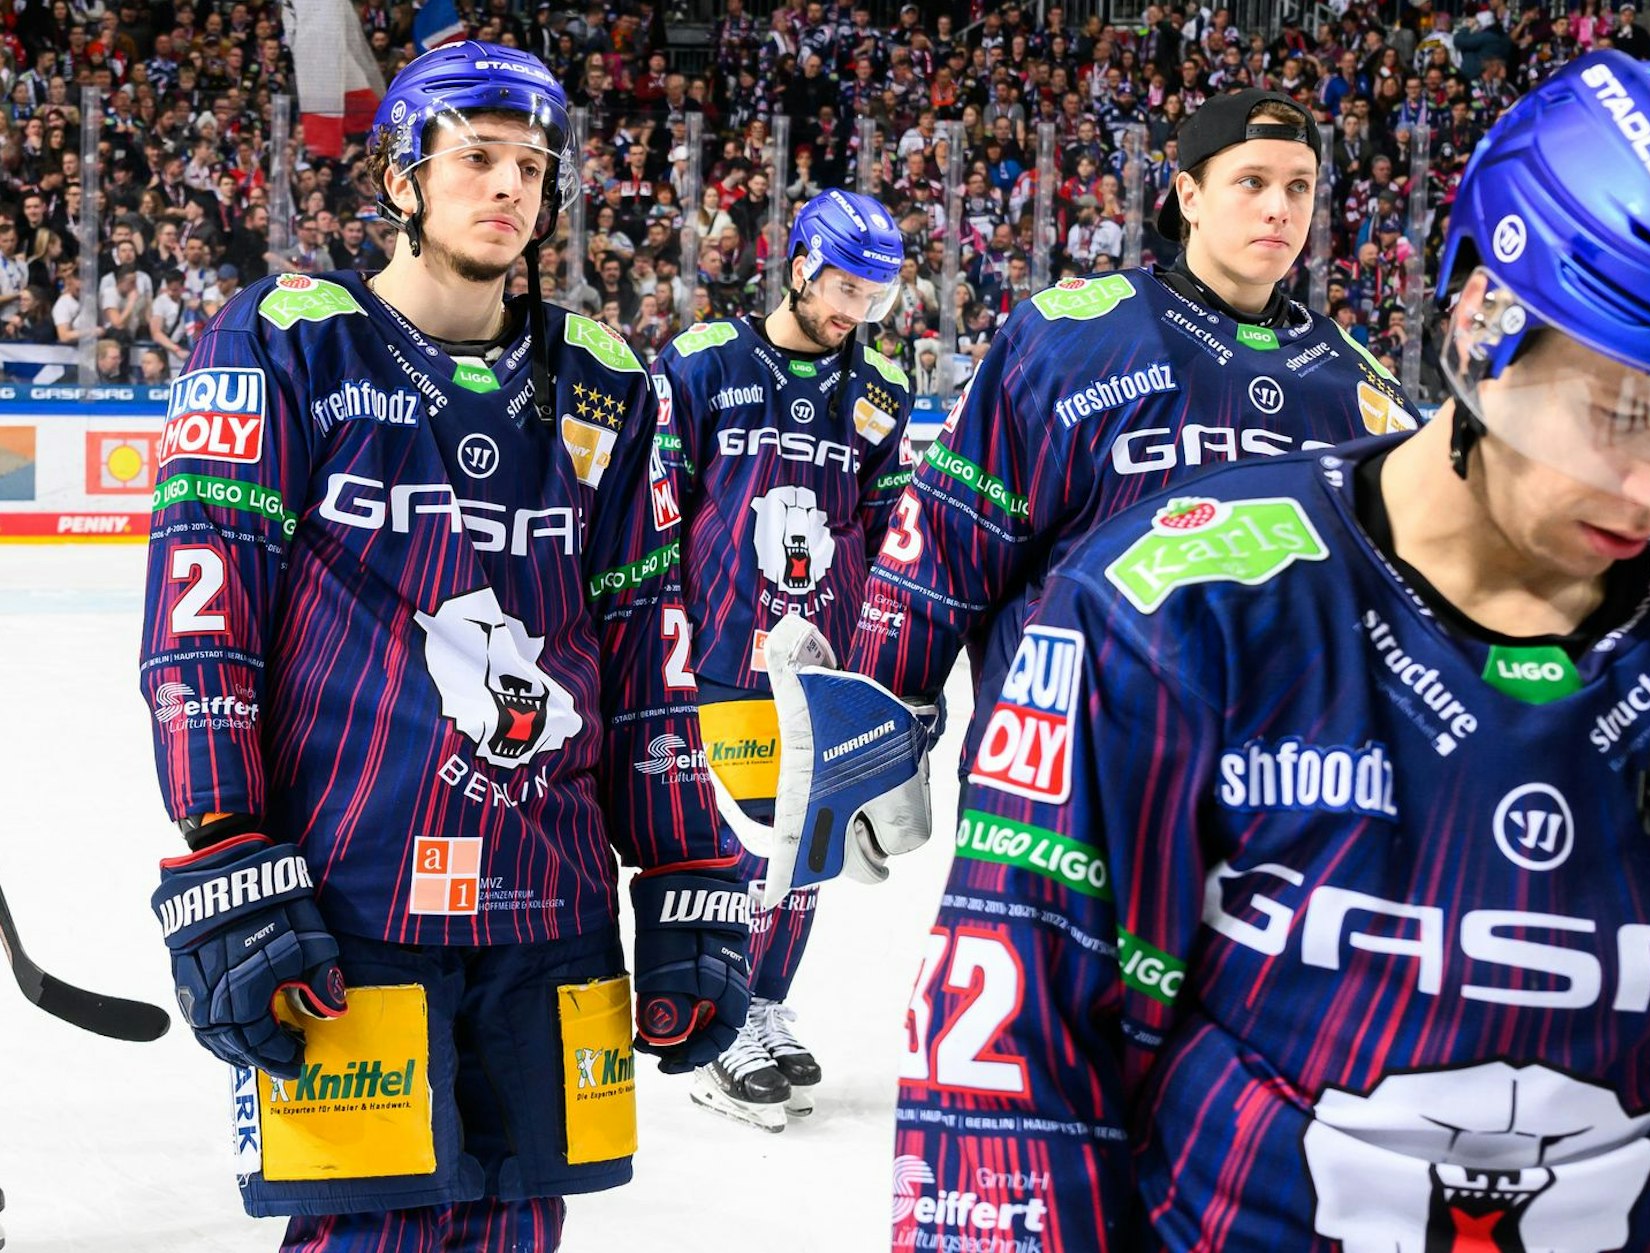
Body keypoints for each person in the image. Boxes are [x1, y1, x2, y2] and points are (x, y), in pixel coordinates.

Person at [887, 50, 1650, 1249]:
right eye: (1619, 405)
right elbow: (1011, 1089)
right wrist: (892, 700)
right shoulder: (1162, 606)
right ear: (1485, 321)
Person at [139, 43, 750, 1252]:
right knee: (370, 1236)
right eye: (475, 157)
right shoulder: (286, 339)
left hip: (550, 895)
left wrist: (685, 871)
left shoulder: (607, 380)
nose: (509, 187)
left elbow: (648, 643)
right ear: (402, 179)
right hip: (348, 896)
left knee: (524, 1224)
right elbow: (202, 614)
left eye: (530, 164)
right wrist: (227, 844)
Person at [717, 89, 1421, 903]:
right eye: (1252, 181)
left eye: (1300, 186)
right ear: (1187, 195)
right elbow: (945, 541)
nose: (1280, 208)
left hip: (1285, 817)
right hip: (1059, 790)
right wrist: (874, 721)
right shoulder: (1070, 336)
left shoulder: (1359, 388)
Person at [653, 188, 914, 1131]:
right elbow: (655, 509)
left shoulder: (879, 392)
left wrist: (883, 661)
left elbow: (889, 532)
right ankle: (715, 1030)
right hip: (721, 650)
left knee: (806, 854)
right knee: (748, 849)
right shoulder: (701, 363)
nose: (855, 311)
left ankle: (760, 1001)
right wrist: (658, 640)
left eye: (876, 297)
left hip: (824, 660)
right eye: (845, 285)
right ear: (798, 261)